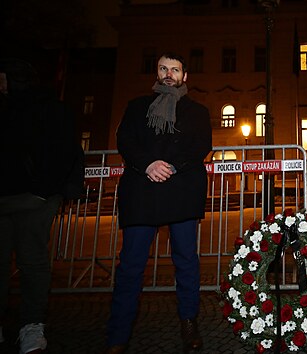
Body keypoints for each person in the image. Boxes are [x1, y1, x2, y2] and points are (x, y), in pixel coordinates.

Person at [104, 52, 213, 354]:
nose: (169, 74)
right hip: (142, 190)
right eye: (163, 68)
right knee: (130, 267)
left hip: (181, 191)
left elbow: (201, 145)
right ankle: (118, 334)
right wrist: (149, 164)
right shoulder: (137, 107)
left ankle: (189, 322)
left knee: (186, 263)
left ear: (184, 76)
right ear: (156, 72)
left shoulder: (197, 111)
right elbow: (125, 140)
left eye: (175, 70)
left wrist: (172, 166)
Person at [0, 58, 83, 354]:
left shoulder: (48, 108)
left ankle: (31, 325)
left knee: (32, 260)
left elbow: (63, 149)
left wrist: (44, 190)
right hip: (14, 195)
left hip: (35, 198)